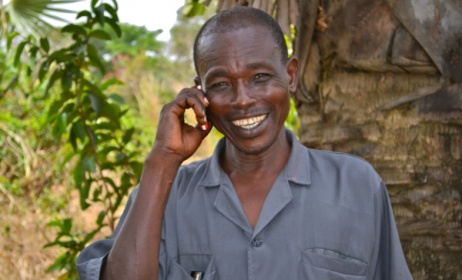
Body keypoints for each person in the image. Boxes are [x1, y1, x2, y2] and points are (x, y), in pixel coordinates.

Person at [76, 6, 412, 280]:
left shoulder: (356, 186)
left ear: (291, 75)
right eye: (221, 84)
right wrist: (162, 160)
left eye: (260, 77)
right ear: (200, 93)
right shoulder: (166, 195)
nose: (242, 100)